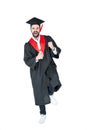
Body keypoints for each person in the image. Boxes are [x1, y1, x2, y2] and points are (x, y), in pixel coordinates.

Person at [24, 17, 62, 124]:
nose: (35, 30)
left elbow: (57, 51)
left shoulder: (47, 39)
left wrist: (53, 48)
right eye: (33, 28)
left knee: (54, 81)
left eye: (37, 28)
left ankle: (51, 93)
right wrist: (36, 58)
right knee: (40, 92)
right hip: (37, 71)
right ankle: (43, 114)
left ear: (40, 29)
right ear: (31, 30)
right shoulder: (27, 45)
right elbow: (26, 60)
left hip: (49, 68)